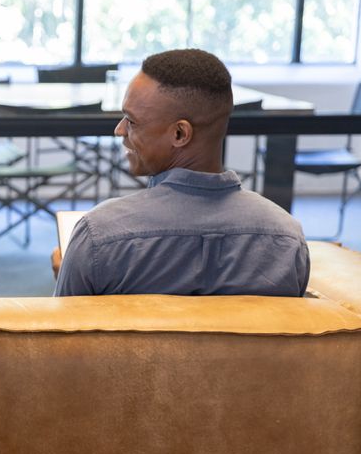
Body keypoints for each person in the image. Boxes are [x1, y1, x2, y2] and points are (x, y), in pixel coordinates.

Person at [53, 48, 309, 297]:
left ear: (179, 134)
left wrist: (74, 264)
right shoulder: (288, 240)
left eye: (131, 121)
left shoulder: (98, 236)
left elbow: (63, 333)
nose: (119, 130)